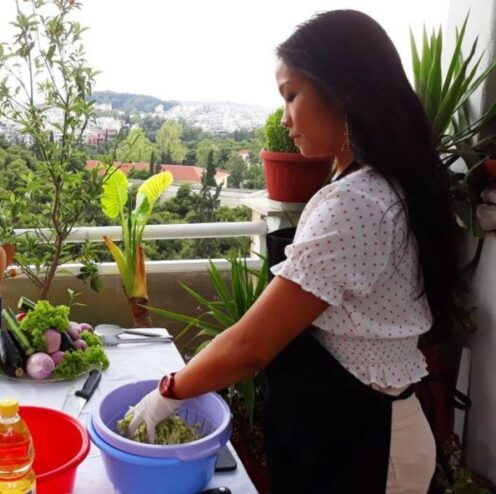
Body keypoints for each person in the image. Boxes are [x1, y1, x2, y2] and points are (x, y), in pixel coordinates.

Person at [128, 10, 457, 494]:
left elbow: (250, 347)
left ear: (341, 91)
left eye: (291, 95)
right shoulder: (381, 183)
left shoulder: (355, 201)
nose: (285, 119)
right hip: (360, 429)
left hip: (367, 445)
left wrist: (167, 393)